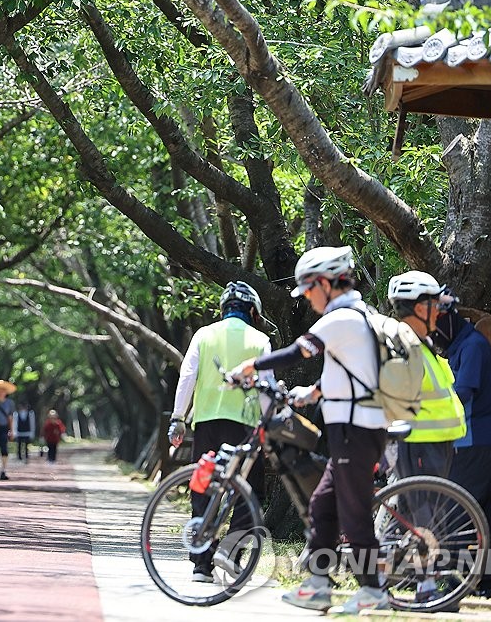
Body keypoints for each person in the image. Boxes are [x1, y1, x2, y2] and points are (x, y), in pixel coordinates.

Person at [229, 245, 390, 614]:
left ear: (325, 283)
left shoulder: (342, 318)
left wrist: (250, 366)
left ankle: (373, 590)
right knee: (322, 504)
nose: (307, 299)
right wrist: (312, 392)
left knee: (353, 512)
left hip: (357, 430)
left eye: (309, 290)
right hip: (353, 429)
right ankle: (319, 584)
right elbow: (349, 368)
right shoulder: (353, 316)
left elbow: (296, 353)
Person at [167, 280, 272, 583]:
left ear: (225, 309)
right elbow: (267, 385)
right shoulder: (260, 339)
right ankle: (230, 551)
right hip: (245, 427)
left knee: (203, 487)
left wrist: (178, 418)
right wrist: (266, 427)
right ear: (253, 311)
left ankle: (201, 564)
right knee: (248, 491)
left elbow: (187, 376)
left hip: (208, 424)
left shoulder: (204, 334)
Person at [386, 270, 469, 603]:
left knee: (420, 511)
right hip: (419, 440)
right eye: (435, 305)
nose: (441, 311)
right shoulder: (406, 344)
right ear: (419, 308)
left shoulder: (424, 343)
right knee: (423, 515)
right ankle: (426, 585)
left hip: (435, 441)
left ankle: (389, 577)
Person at [433, 283, 491, 596]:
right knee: (480, 513)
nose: (433, 334)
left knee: (459, 509)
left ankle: (457, 583)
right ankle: (482, 584)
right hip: (475, 439)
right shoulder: (459, 346)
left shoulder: (473, 345)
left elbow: (463, 394)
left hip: (478, 440)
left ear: (449, 319)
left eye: (435, 325)